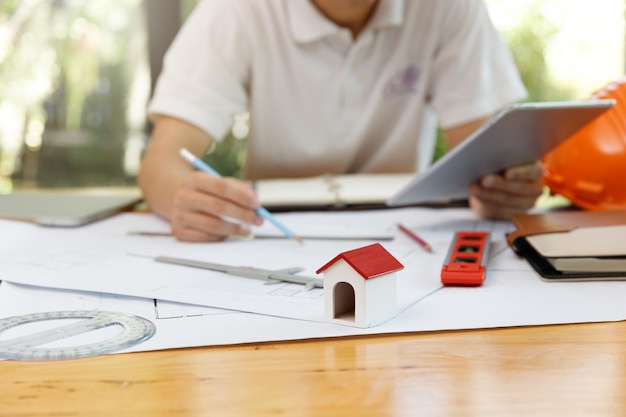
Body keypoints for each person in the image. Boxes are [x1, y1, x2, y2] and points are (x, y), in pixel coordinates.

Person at [139, 0, 544, 242]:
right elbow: (164, 159)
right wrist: (183, 196)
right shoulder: (236, 9)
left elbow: (483, 160)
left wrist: (500, 187)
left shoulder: (448, 7)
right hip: (271, 228)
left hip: (407, 233)